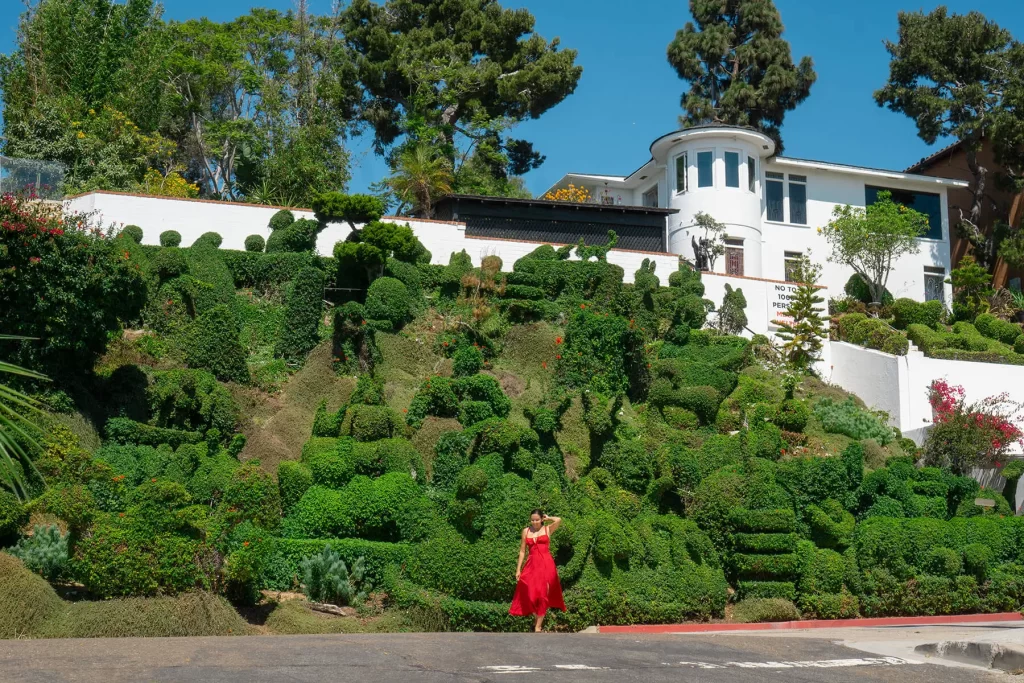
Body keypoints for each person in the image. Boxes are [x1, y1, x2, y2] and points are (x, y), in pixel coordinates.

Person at [509, 509, 565, 631]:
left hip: (546, 564)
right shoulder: (526, 531)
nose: (534, 522)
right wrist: (518, 569)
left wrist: (548, 518)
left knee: (543, 594)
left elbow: (559, 520)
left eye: (537, 519)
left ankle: (538, 626)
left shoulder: (547, 529)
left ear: (541, 519)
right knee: (530, 593)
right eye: (532, 520)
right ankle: (536, 620)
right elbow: (522, 551)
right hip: (532, 564)